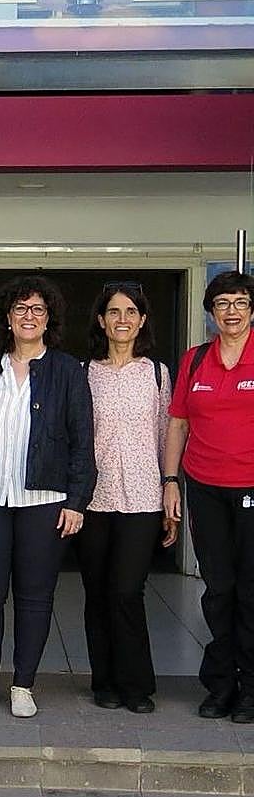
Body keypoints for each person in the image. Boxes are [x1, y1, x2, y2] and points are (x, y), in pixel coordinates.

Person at [0, 274, 96, 719]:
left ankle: (23, 684)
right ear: (8, 318)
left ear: (48, 317)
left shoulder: (67, 370)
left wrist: (77, 500)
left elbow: (82, 440)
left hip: (45, 500)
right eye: (20, 309)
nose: (28, 317)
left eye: (37, 309)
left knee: (35, 596)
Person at [78, 282, 177, 714]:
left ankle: (136, 684)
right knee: (96, 591)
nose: (122, 320)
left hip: (142, 497)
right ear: (101, 320)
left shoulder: (157, 373)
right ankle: (105, 682)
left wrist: (170, 492)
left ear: (142, 320)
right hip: (93, 499)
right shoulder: (83, 372)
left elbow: (164, 437)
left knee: (127, 591)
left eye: (131, 312)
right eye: (113, 312)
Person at [163, 270, 254, 722]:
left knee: (251, 591)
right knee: (218, 589)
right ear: (211, 312)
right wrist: (170, 480)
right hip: (205, 487)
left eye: (239, 302)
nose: (231, 311)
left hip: (252, 488)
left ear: (251, 309)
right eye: (222, 304)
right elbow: (178, 422)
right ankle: (221, 685)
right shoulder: (195, 361)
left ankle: (252, 687)